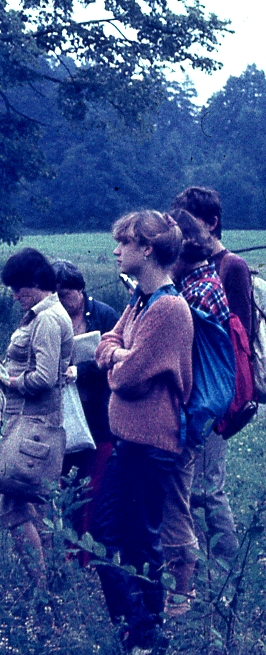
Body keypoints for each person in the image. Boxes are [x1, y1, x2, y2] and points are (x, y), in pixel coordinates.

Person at [93, 210, 192, 654]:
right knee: (104, 532)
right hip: (129, 443)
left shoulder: (168, 307)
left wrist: (119, 359)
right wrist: (117, 353)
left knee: (138, 541)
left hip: (151, 445)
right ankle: (131, 627)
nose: (116, 250)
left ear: (147, 249)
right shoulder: (139, 303)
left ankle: (145, 634)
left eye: (124, 243)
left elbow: (126, 377)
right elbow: (104, 346)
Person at [159, 209, 233, 614]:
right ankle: (195, 581)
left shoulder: (197, 291)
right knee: (184, 496)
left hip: (188, 410)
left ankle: (189, 590)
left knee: (185, 497)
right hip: (191, 409)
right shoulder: (195, 282)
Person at [170, 187, 247, 561]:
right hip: (199, 390)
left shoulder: (230, 266)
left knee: (209, 485)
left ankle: (227, 564)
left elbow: (234, 339)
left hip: (216, 391)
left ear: (210, 223)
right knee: (194, 484)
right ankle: (203, 557)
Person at [0, 249, 73, 590]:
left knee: (14, 506)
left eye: (19, 288)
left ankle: (39, 587)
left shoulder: (44, 319)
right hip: (36, 424)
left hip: (32, 424)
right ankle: (53, 581)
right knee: (36, 506)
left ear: (36, 283)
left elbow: (43, 377)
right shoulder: (48, 314)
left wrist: (9, 381)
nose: (15, 296)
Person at [53, 260, 119, 552]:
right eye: (55, 295)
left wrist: (80, 370)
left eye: (66, 294)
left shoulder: (105, 315)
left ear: (80, 290)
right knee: (67, 486)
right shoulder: (51, 318)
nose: (62, 302)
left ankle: (90, 551)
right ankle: (69, 549)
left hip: (99, 415)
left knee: (94, 487)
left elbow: (116, 358)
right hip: (65, 413)